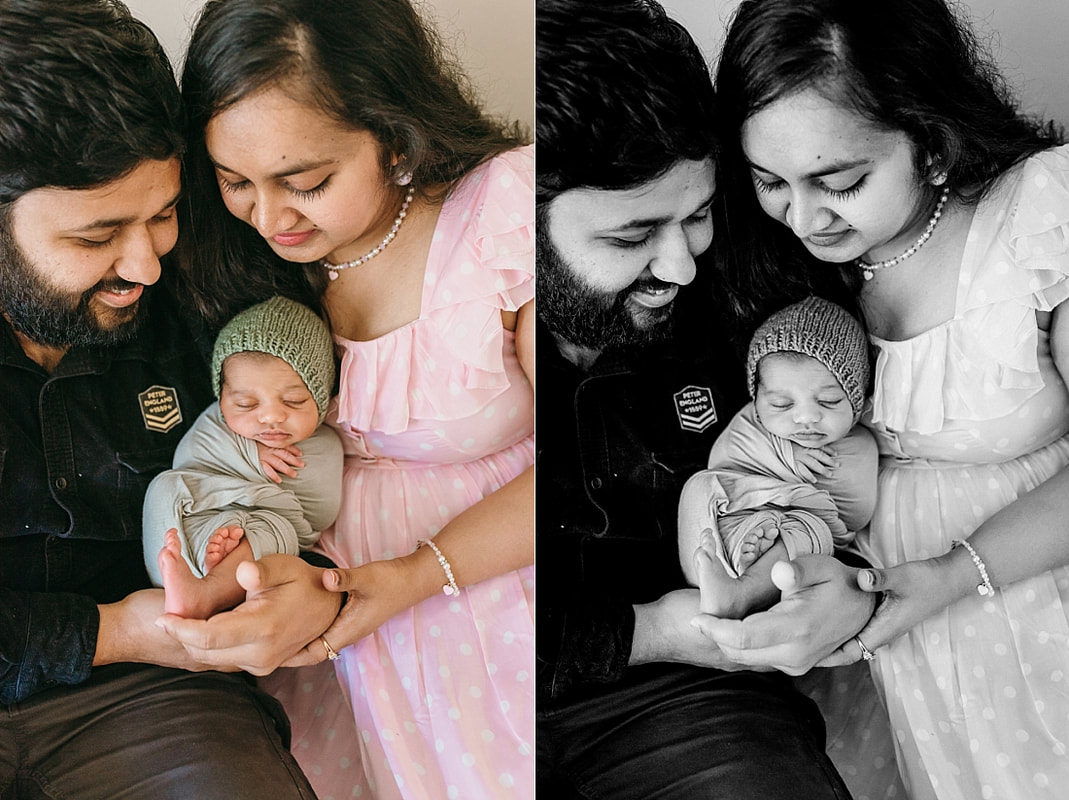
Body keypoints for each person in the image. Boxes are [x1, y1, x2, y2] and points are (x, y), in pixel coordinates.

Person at [699, 0, 1069, 797]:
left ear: (930, 144)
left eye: (840, 182)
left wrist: (944, 574)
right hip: (905, 643)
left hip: (1042, 602)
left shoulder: (1033, 224)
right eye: (769, 181)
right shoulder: (780, 278)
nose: (801, 217)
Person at [174, 0, 535, 796]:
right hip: (335, 636)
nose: (268, 217)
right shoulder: (238, 266)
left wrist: (410, 576)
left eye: (304, 183)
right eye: (234, 181)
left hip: (494, 598)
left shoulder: (498, 217)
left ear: (396, 139)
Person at [0, 1, 330, 796]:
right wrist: (111, 631)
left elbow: (280, 489)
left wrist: (298, 586)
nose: (145, 265)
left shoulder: (213, 309)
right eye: (95, 236)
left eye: (164, 213)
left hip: (159, 697)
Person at [535, 1, 859, 797]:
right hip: (490, 678)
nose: (680, 265)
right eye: (630, 236)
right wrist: (645, 633)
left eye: (698, 215)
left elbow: (833, 472)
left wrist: (838, 584)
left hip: (696, 699)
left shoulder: (754, 292)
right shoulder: (449, 338)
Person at [143, 296, 343, 619]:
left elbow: (318, 514)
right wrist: (251, 456)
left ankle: (208, 591)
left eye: (293, 401)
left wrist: (255, 501)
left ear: (321, 396)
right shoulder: (215, 423)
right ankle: (181, 576)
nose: (271, 417)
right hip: (202, 517)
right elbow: (189, 460)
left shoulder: (325, 446)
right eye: (247, 405)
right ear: (222, 398)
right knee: (163, 488)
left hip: (263, 538)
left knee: (278, 531)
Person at [679, 296, 877, 619]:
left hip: (796, 543)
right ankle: (728, 565)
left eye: (828, 402)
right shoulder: (751, 423)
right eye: (783, 405)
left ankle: (742, 590)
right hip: (734, 511)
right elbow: (726, 459)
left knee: (811, 531)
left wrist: (806, 495)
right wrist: (786, 455)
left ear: (858, 401)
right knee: (699, 488)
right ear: (757, 402)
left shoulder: (861, 446)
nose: (806, 418)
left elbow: (853, 516)